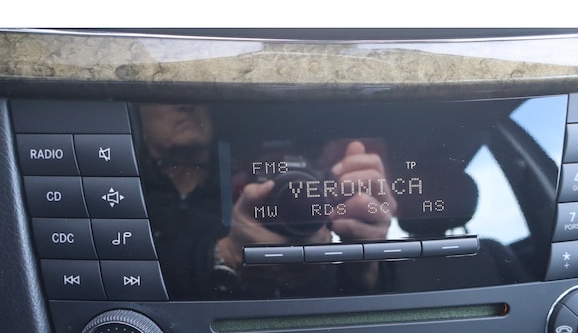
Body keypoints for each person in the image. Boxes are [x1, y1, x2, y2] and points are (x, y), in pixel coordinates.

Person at [137, 103, 396, 299]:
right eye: (165, 95)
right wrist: (226, 256)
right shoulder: (129, 190)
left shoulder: (243, 180)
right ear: (137, 116)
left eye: (197, 95)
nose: (186, 105)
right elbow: (131, 282)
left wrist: (365, 264)